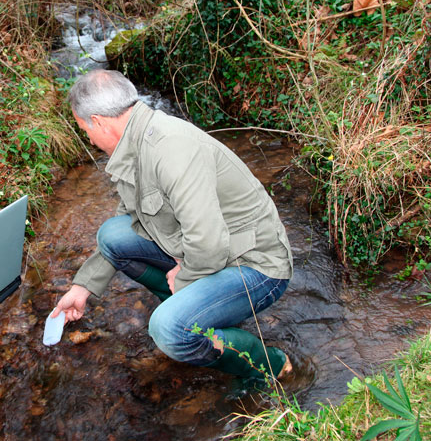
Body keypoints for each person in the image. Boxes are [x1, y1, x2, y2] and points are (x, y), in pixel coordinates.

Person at [52, 69, 294, 382]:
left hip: (256, 265)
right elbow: (132, 218)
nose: (88, 138)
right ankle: (197, 313)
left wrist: (185, 277)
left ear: (98, 121)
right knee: (112, 235)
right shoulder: (134, 144)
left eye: (84, 129)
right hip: (209, 251)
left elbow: (208, 244)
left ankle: (268, 366)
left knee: (168, 329)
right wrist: (83, 286)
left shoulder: (171, 149)